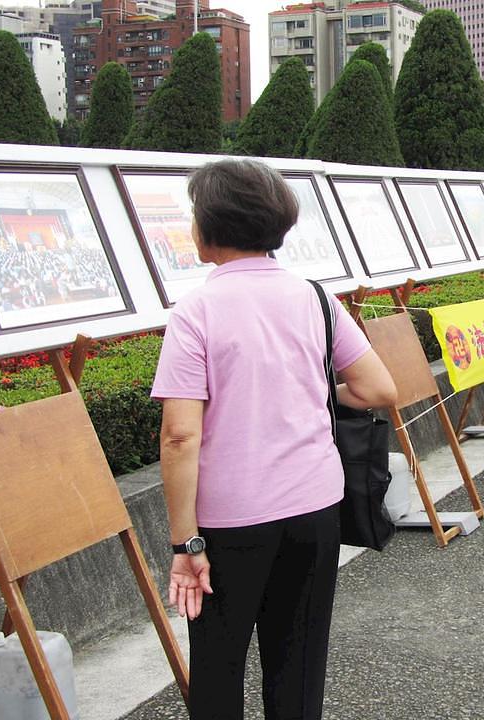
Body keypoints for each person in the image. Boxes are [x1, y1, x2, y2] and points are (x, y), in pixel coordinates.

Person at [151, 159, 398, 719]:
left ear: (212, 225)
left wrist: (185, 545)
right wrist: (306, 392)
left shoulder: (196, 312)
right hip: (315, 508)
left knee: (218, 669)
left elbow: (180, 435)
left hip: (228, 523)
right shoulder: (315, 298)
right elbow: (377, 388)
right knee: (299, 667)